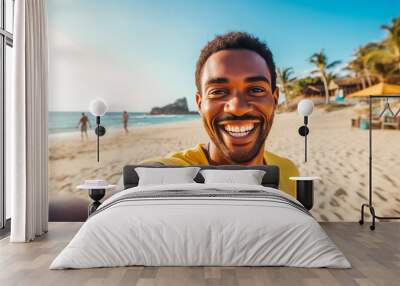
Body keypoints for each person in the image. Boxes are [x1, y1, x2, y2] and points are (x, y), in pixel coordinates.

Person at [140, 32, 299, 197]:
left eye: (256, 90)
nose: (237, 108)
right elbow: (147, 173)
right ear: (200, 104)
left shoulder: (288, 171)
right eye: (218, 91)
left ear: (275, 99)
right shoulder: (178, 171)